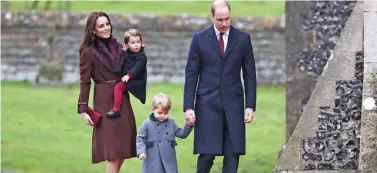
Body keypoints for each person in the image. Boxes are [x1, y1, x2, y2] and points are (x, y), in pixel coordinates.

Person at [183, 0, 257, 172]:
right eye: (220, 20)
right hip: (207, 105)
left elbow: (249, 74)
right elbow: (191, 74)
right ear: (212, 17)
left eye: (227, 19)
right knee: (206, 155)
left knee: (233, 155)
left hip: (234, 105)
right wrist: (188, 107)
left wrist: (250, 105)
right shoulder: (199, 39)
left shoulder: (243, 39)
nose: (224, 23)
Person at [77, 12, 137, 173]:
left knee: (124, 149)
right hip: (104, 101)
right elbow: (85, 81)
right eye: (101, 26)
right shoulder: (88, 52)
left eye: (107, 24)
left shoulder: (118, 46)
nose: (106, 28)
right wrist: (83, 109)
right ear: (93, 30)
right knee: (112, 153)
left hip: (122, 99)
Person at [136, 93, 193, 173]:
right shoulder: (147, 124)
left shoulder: (171, 123)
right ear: (153, 110)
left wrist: (189, 125)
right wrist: (141, 151)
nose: (163, 115)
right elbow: (140, 138)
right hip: (153, 160)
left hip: (169, 160)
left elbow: (182, 134)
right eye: (160, 113)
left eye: (165, 113)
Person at [106, 28, 148, 117]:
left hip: (135, 81)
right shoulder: (127, 53)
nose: (136, 45)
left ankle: (116, 109)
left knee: (118, 87)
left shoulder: (142, 56)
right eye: (133, 43)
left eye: (138, 42)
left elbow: (138, 68)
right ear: (127, 45)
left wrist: (128, 76)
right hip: (128, 77)